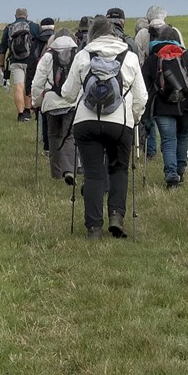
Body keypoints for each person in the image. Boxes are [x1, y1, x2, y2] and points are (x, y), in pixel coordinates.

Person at [62, 17, 144, 238]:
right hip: (120, 123)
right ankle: (116, 216)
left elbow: (68, 93)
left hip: (86, 123)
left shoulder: (83, 56)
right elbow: (141, 96)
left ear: (93, 35)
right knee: (119, 169)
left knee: (93, 174)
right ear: (114, 34)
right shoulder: (129, 57)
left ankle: (94, 227)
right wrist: (135, 118)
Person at [137, 11, 188, 190]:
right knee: (183, 136)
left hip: (162, 108)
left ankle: (171, 175)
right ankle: (180, 170)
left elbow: (143, 85)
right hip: (186, 107)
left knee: (168, 140)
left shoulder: (152, 59)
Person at [30, 18, 82, 180]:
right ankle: (69, 170)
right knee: (69, 136)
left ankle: (56, 173)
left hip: (51, 102)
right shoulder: (77, 55)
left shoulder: (47, 56)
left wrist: (36, 102)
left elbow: (37, 82)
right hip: (71, 102)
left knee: (54, 136)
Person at [0, 10, 36, 117]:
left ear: (15, 16)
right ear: (27, 16)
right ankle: (28, 110)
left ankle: (21, 114)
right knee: (29, 85)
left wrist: (2, 65)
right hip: (30, 62)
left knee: (19, 86)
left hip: (15, 61)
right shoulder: (33, 26)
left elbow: (2, 48)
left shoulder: (9, 28)